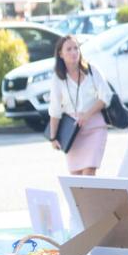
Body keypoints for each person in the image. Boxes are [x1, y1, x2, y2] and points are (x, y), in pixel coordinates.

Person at [47, 34, 111, 176]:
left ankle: (90, 198)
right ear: (60, 54)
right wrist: (53, 137)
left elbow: (106, 96)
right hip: (72, 132)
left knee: (88, 172)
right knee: (76, 177)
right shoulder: (58, 78)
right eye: (68, 49)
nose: (73, 52)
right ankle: (86, 199)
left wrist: (87, 115)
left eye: (76, 48)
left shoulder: (91, 70)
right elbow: (55, 110)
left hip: (95, 127)